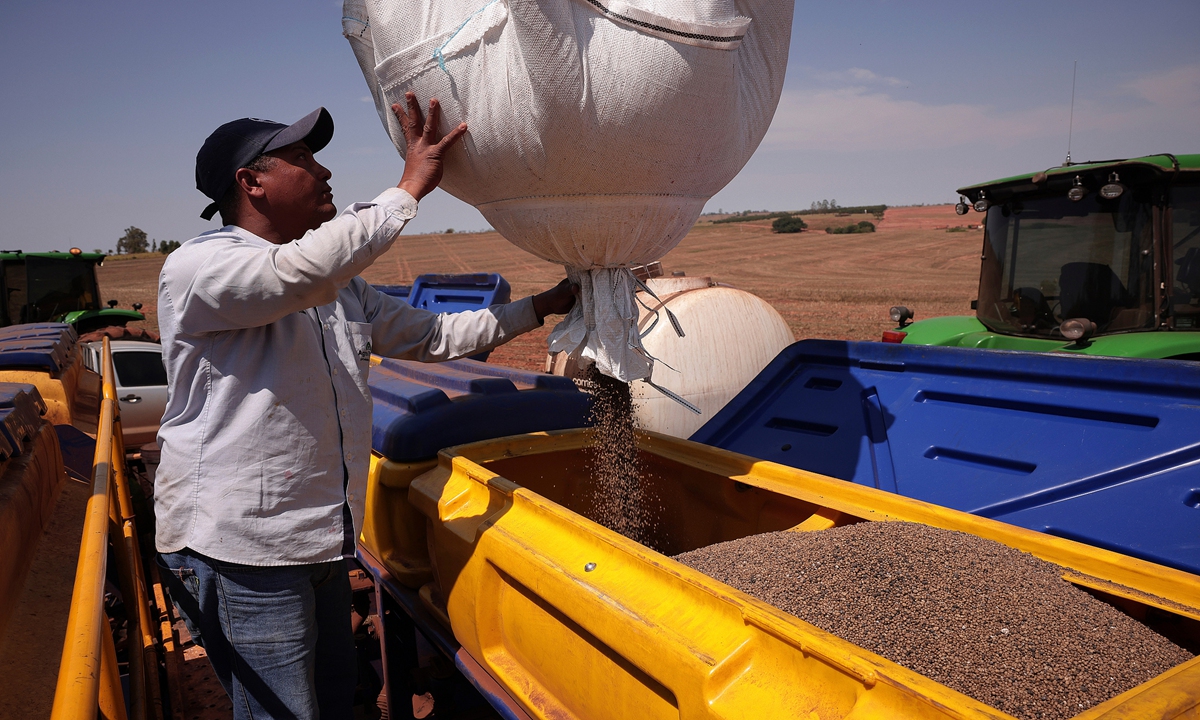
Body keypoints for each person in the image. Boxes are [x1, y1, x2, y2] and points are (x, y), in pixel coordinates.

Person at [155, 94, 576, 720]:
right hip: (244, 551)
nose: (324, 171)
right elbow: (296, 274)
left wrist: (543, 306)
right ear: (251, 183)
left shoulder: (338, 288)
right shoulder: (200, 267)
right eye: (300, 157)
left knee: (333, 700)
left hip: (323, 540)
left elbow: (433, 336)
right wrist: (409, 188)